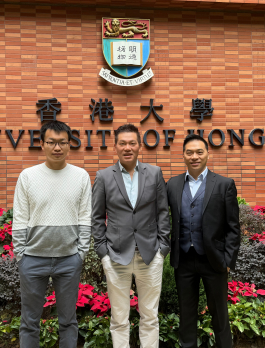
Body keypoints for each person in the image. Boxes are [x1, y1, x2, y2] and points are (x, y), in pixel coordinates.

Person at [12, 120, 92, 348]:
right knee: (30, 321)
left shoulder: (80, 176)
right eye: (51, 142)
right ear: (42, 144)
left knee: (68, 321)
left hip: (69, 260)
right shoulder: (28, 176)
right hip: (33, 259)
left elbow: (85, 217)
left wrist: (81, 254)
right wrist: (21, 255)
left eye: (62, 143)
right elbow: (19, 218)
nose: (57, 148)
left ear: (69, 145)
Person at [91, 123, 170, 348]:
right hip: (116, 256)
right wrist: (103, 253)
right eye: (123, 143)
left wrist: (162, 248)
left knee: (150, 316)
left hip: (150, 255)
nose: (128, 147)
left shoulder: (154, 173)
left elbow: (162, 212)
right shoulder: (104, 176)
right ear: (115, 146)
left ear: (139, 145)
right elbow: (96, 217)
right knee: (119, 318)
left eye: (132, 143)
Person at [166, 133, 240, 348]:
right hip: (184, 260)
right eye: (189, 152)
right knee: (186, 313)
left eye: (199, 152)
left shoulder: (224, 184)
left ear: (208, 154)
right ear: (183, 156)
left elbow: (233, 227)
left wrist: (228, 261)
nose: (194, 156)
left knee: (219, 313)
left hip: (214, 260)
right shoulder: (173, 184)